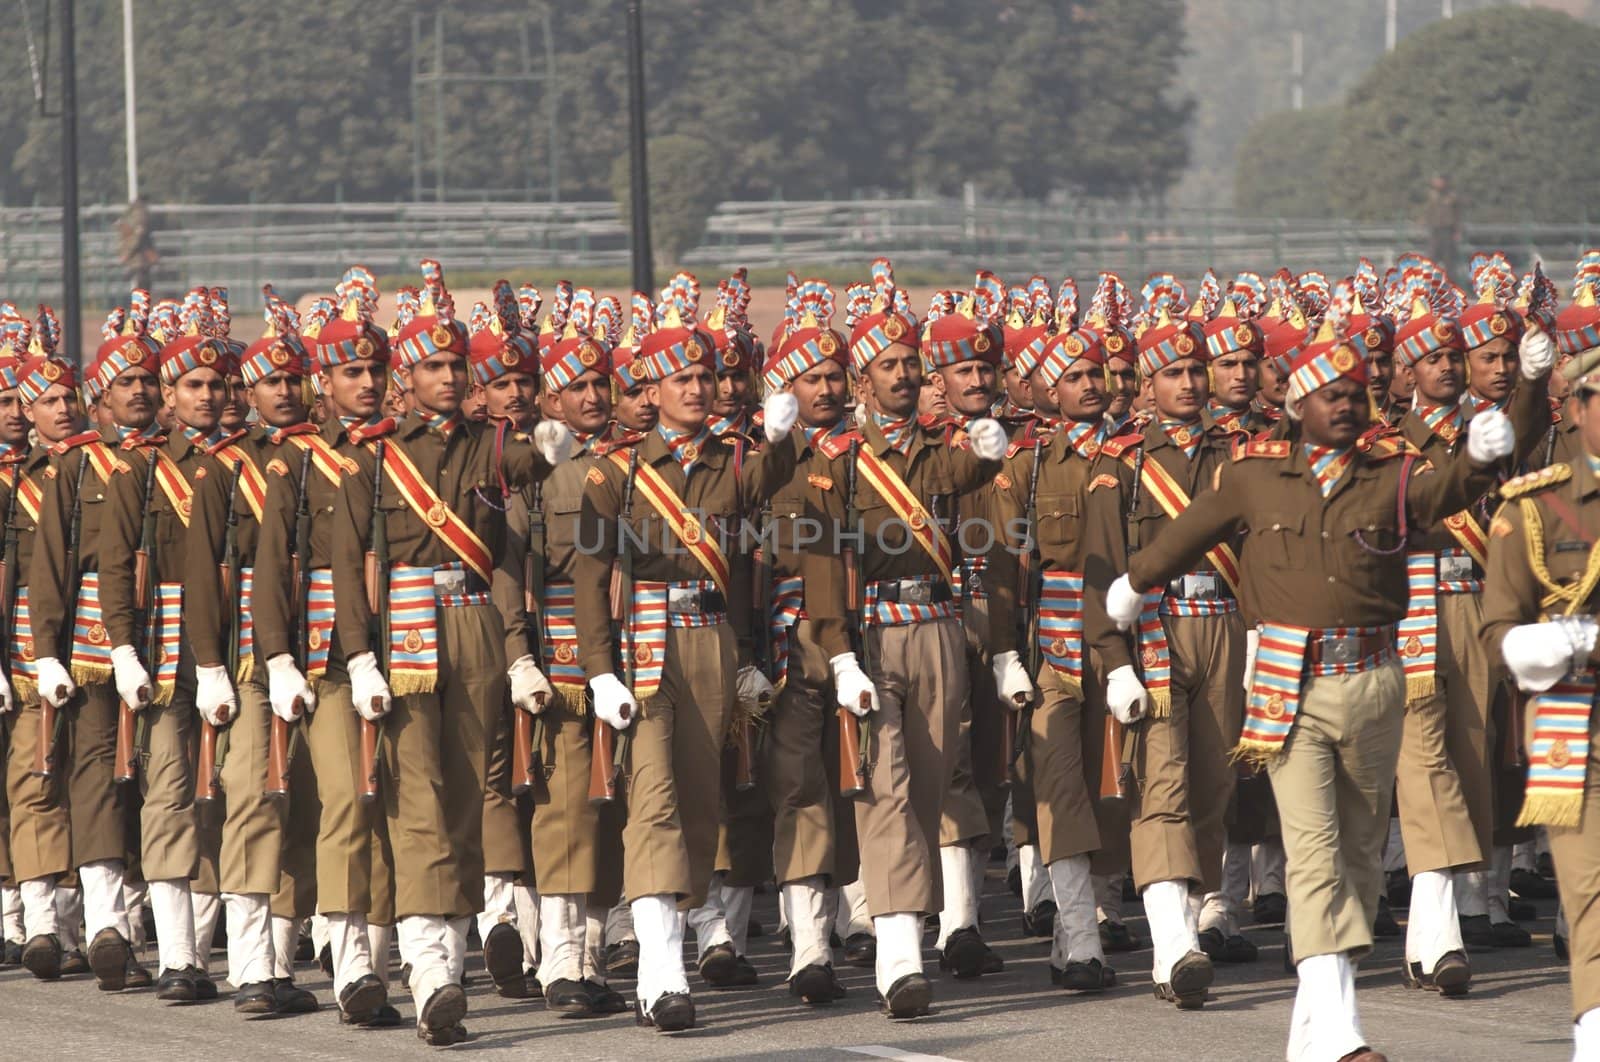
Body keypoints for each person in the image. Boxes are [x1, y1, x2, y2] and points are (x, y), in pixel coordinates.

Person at [1103, 324, 1514, 1062]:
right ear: (1299, 405)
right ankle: (1344, 1033)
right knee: (1316, 849)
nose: (1350, 406)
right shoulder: (1256, 476)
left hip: (1376, 681)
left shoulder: (1387, 473)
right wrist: (1133, 586)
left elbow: (1438, 495)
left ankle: (1313, 1030)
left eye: (1358, 395)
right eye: (1333, 395)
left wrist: (1484, 456)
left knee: (1358, 852)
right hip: (1287, 684)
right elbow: (1191, 531)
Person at [329, 260, 571, 1045]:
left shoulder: (488, 445)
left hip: (470, 627)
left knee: (467, 797)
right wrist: (359, 657)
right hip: (399, 627)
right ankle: (433, 969)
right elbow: (345, 563)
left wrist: (553, 446)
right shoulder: (370, 457)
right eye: (431, 365)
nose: (447, 375)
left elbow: (523, 466)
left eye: (456, 364)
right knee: (417, 795)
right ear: (406, 377)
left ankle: (442, 957)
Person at [573, 272, 799, 1032]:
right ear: (650, 387)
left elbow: (771, 477)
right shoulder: (616, 472)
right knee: (657, 803)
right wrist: (599, 670)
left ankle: (672, 938)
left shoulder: (732, 462)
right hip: (642, 643)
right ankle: (662, 975)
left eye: (706, 376)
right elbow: (589, 578)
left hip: (710, 640)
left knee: (703, 807)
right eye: (682, 377)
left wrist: (783, 431)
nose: (700, 389)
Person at [803, 275, 1010, 1018]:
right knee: (885, 789)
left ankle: (909, 931)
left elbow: (977, 471)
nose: (900, 373)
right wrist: (839, 656)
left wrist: (991, 441)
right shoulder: (838, 458)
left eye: (908, 362)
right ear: (864, 377)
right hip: (872, 635)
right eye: (886, 363)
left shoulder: (943, 452)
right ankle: (899, 959)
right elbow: (823, 562)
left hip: (940, 632)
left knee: (927, 791)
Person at [1388, 255, 1552, 995]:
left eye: (1458, 357)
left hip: (1475, 604)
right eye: (1437, 358)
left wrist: (1537, 379)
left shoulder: (1487, 432)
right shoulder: (1387, 441)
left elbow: (1525, 430)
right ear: (1407, 369)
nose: (1451, 368)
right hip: (1412, 608)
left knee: (1476, 754)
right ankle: (1444, 932)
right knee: (1424, 760)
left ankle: (1432, 931)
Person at [1084, 274, 1243, 1010]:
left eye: (1194, 369)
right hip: (1154, 630)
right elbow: (1101, 574)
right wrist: (1113, 664)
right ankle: (1171, 945)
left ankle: (1187, 921)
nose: (1187, 382)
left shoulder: (1239, 454)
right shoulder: (1122, 463)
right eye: (1171, 372)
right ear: (1145, 386)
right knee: (1164, 782)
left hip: (1228, 629)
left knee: (1214, 784)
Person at [255, 271, 400, 1029]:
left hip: (414, 650)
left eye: (377, 369)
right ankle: (351, 964)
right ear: (326, 380)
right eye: (353, 372)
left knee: (401, 809)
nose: (368, 383)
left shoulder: (406, 450)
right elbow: (273, 566)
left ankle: (384, 949)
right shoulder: (300, 460)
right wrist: (277, 658)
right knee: (345, 804)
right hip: (333, 662)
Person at [182, 288, 320, 1018]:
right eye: (271, 381)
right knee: (254, 801)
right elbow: (206, 573)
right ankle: (252, 966)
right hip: (251, 661)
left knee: (311, 805)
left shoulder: (333, 459)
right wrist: (209, 665)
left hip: (328, 650)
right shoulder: (227, 467)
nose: (286, 392)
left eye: (296, 378)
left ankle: (290, 955)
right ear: (249, 393)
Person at [99, 289, 237, 1003]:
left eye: (217, 384)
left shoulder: (258, 461)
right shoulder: (145, 470)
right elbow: (118, 566)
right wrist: (124, 650)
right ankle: (181, 955)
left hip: (244, 644)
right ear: (171, 398)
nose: (207, 396)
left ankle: (247, 960)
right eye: (191, 384)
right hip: (169, 646)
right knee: (171, 798)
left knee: (241, 798)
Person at [1481, 255, 1600, 1059]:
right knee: (1590, 898)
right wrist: (1554, 643)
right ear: (1579, 405)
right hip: (1575, 718)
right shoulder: (1538, 504)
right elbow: (1501, 631)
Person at [29, 291, 162, 994]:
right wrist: (44, 652)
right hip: (93, 643)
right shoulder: (77, 468)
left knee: (163, 781)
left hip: (172, 636)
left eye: (148, 381)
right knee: (98, 776)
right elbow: (50, 565)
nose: (139, 392)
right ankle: (108, 924)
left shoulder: (180, 460)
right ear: (100, 399)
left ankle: (172, 938)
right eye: (125, 383)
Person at [117, 199, 158, 294]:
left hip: (140, 259)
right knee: (142, 286)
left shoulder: (137, 214)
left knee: (142, 286)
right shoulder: (141, 214)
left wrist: (127, 253)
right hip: (139, 259)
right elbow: (138, 235)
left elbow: (139, 236)